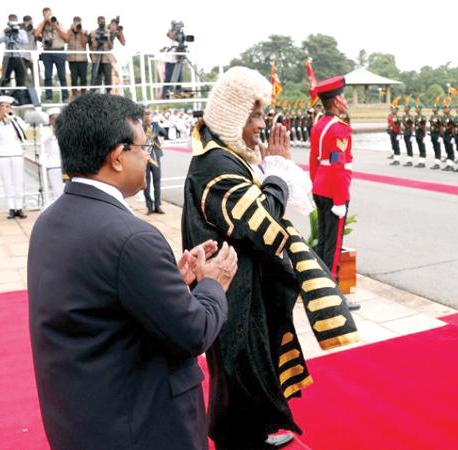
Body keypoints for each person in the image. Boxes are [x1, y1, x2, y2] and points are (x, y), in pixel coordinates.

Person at [28, 93, 236, 450]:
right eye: (145, 145)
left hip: (83, 419)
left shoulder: (51, 220)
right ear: (117, 157)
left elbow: (100, 301)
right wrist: (211, 285)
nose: (150, 155)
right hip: (140, 426)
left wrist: (170, 280)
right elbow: (192, 333)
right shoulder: (132, 237)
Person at [182, 66, 359, 450]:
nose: (263, 124)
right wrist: (277, 174)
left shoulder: (224, 156)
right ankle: (240, 439)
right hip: (232, 296)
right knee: (239, 373)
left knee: (255, 366)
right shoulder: (215, 166)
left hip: (241, 291)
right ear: (234, 115)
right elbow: (262, 226)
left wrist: (268, 173)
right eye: (257, 114)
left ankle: (255, 429)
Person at [309, 75, 360, 311]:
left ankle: (317, 287)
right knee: (333, 244)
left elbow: (314, 161)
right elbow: (339, 166)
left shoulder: (319, 124)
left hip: (320, 186)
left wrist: (315, 183)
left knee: (322, 242)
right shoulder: (339, 129)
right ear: (337, 100)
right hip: (334, 191)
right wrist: (340, 199)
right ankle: (332, 296)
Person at [0, 95, 28, 218]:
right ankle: (11, 208)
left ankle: (19, 207)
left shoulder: (16, 119)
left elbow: (25, 129)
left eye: (7, 106)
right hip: (3, 154)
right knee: (7, 181)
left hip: (16, 153)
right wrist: (0, 119)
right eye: (3, 106)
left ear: (11, 108)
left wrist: (14, 117)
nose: (5, 109)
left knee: (18, 180)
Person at [34, 7, 69, 101]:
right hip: (47, 52)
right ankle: (49, 97)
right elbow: (36, 35)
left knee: (62, 76)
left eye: (49, 14)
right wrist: (44, 22)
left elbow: (66, 38)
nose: (48, 17)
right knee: (47, 76)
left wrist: (55, 26)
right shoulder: (42, 25)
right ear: (43, 15)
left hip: (59, 51)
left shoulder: (59, 24)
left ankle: (65, 97)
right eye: (46, 15)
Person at [88, 16, 125, 93]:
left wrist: (118, 33)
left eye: (116, 25)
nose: (114, 26)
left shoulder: (112, 33)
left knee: (108, 76)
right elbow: (90, 45)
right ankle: (93, 91)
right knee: (95, 76)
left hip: (107, 57)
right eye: (113, 25)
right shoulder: (95, 32)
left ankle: (108, 92)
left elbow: (122, 43)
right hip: (96, 56)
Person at [142, 109, 167, 214]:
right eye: (146, 115)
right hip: (145, 158)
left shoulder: (155, 125)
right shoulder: (139, 127)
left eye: (149, 115)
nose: (148, 117)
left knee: (157, 183)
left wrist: (157, 130)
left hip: (155, 157)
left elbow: (165, 133)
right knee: (146, 184)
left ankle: (157, 206)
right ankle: (149, 207)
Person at [0, 14, 29, 89]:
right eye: (11, 21)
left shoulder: (21, 32)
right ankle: (2, 94)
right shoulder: (5, 30)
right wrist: (5, 33)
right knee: (4, 78)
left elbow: (26, 42)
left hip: (19, 57)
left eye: (14, 21)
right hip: (8, 57)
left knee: (21, 79)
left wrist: (17, 35)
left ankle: (20, 96)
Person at [41, 108, 65, 203]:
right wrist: (53, 132)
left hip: (65, 165)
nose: (55, 120)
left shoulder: (64, 130)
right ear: (50, 119)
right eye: (53, 118)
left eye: (57, 118)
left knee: (66, 190)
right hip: (54, 165)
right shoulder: (45, 130)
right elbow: (41, 141)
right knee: (57, 192)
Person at [66, 16, 88, 97]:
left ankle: (84, 96)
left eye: (79, 22)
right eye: (75, 22)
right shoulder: (69, 31)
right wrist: (70, 29)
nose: (77, 23)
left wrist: (81, 32)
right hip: (72, 59)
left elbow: (84, 44)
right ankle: (74, 96)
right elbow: (66, 40)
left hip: (82, 59)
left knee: (83, 79)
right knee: (73, 79)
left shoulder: (84, 31)